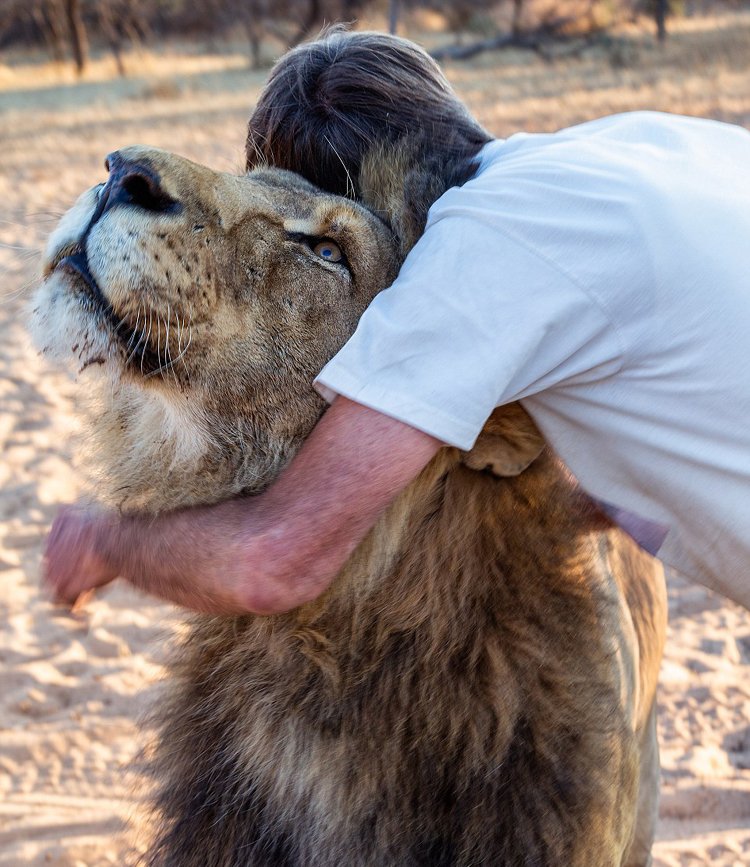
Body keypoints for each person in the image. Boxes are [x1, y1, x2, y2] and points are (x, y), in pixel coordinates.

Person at [44, 29, 750, 614]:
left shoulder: (469, 260)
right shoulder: (627, 144)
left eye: (322, 240)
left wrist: (107, 544)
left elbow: (272, 560)